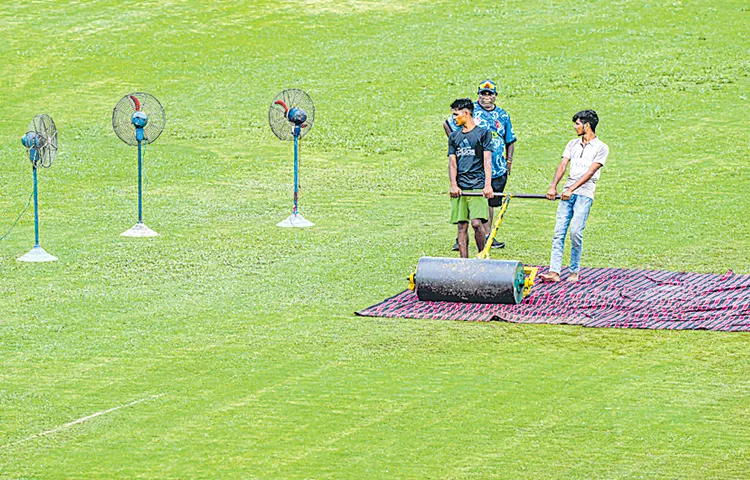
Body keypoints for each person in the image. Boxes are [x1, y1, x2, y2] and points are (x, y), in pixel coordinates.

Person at [444, 79, 516, 250]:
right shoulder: (470, 111)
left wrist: (509, 160)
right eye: (483, 93)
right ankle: (464, 238)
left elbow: (510, 139)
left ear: (495, 96)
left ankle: (488, 236)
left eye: (489, 94)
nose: (486, 97)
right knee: (470, 201)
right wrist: (459, 141)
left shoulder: (503, 115)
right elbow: (448, 123)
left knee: (490, 202)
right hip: (473, 167)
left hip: (497, 166)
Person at [539, 110, 609, 283]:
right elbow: (563, 165)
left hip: (584, 193)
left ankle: (574, 270)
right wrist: (553, 187)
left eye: (578, 124)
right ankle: (554, 272)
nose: (575, 127)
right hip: (567, 193)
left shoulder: (601, 148)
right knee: (559, 232)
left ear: (587, 125)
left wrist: (572, 189)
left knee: (576, 232)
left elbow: (591, 172)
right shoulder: (572, 144)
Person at [447, 98, 494, 258]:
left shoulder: (483, 134)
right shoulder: (454, 137)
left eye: (456, 114)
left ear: (466, 114)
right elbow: (452, 163)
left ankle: (482, 255)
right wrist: (454, 184)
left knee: (476, 223)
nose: (454, 118)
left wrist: (488, 185)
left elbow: (487, 161)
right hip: (461, 187)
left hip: (477, 185)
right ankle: (463, 261)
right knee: (461, 226)